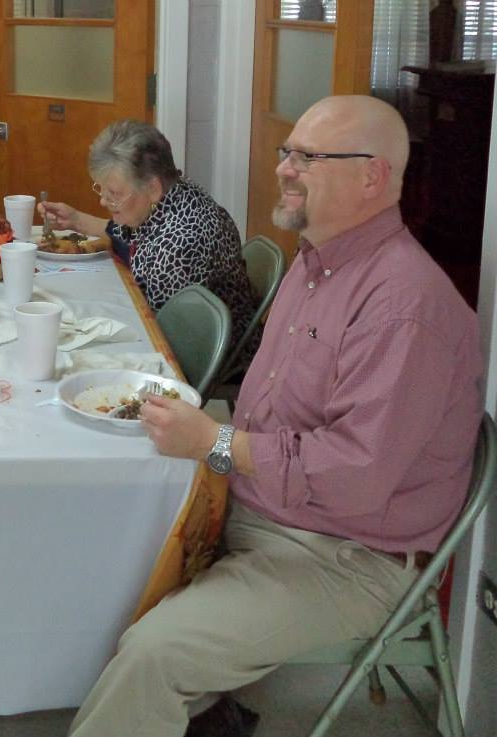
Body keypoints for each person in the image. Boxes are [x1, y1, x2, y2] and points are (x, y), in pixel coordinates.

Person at [67, 95, 483, 737]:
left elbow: (354, 474)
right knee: (86, 536)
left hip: (341, 554)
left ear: (373, 176)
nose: (285, 168)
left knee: (155, 655)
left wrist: (217, 440)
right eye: (288, 152)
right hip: (264, 505)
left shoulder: (404, 307)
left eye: (308, 158)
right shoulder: (315, 264)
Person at [39, 119, 257, 356]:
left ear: (152, 188)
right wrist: (76, 220)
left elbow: (156, 340)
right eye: (100, 189)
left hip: (203, 352)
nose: (103, 201)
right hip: (189, 330)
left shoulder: (178, 246)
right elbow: (132, 238)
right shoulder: (174, 192)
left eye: (113, 193)